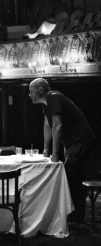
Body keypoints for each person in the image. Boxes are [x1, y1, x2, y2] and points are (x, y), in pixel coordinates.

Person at [29, 78, 95, 229]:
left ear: (40, 90)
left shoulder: (54, 98)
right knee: (70, 176)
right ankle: (72, 215)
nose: (29, 94)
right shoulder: (46, 105)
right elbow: (47, 125)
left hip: (82, 141)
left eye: (31, 91)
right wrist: (46, 149)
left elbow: (57, 126)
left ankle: (78, 220)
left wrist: (54, 154)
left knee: (72, 175)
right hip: (73, 143)